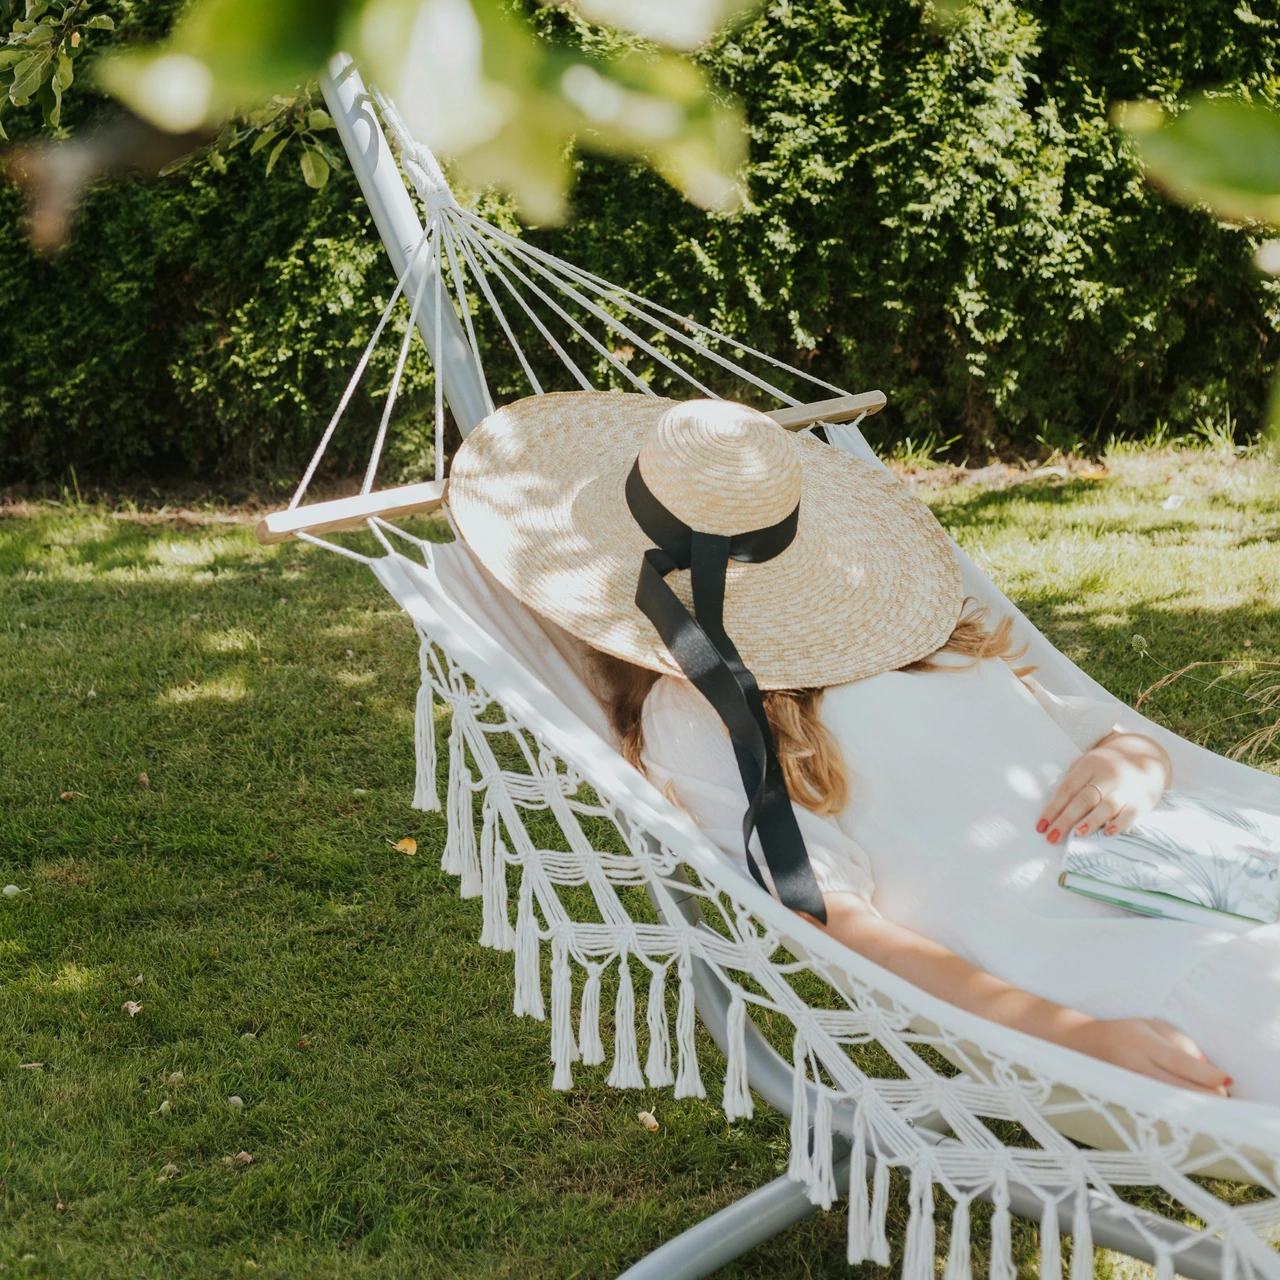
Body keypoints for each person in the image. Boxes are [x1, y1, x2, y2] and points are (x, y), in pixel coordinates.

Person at [447, 389, 1280, 1104]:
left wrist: (1127, 765)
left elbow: (1109, 734)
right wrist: (1073, 1037)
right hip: (1120, 969)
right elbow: (838, 922)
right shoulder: (705, 709)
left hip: (1218, 875)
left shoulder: (916, 631)